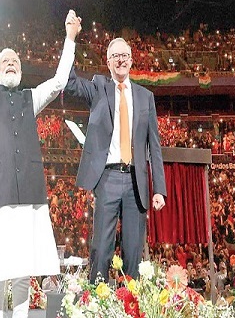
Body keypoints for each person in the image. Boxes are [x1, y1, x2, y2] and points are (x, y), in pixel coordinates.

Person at [0, 10, 80, 318]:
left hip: (29, 197)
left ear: (21, 70)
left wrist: (69, 40)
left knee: (23, 271)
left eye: (15, 60)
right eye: (5, 62)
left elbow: (58, 83)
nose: (11, 63)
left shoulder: (31, 97)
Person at [64, 35, 167, 283]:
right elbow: (68, 83)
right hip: (107, 178)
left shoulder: (146, 97)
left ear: (131, 61)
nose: (120, 60)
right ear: (108, 62)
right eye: (115, 56)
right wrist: (70, 39)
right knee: (101, 247)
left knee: (133, 252)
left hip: (136, 183)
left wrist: (159, 189)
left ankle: (131, 305)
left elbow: (154, 146)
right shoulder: (99, 87)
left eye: (124, 56)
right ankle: (97, 304)